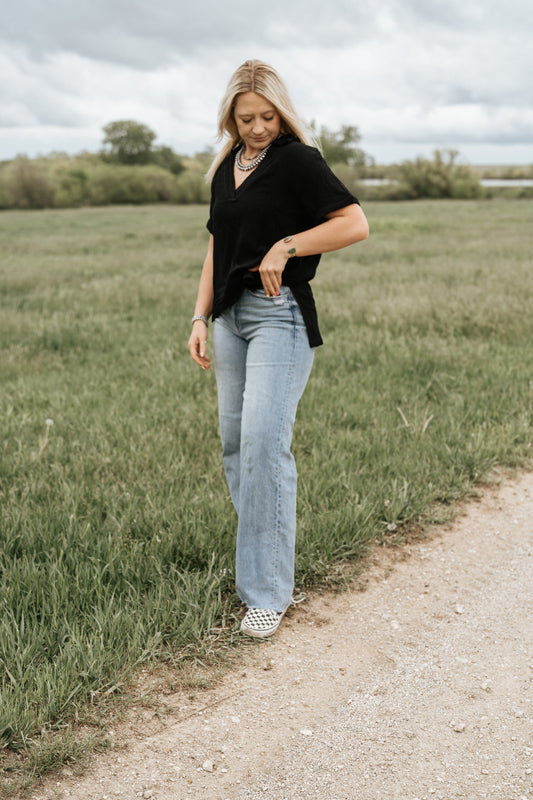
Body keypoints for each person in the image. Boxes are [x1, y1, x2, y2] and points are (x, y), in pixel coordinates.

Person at [188, 59, 369, 639]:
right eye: (246, 119)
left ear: (282, 112)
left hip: (278, 316)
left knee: (266, 447)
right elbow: (218, 248)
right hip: (228, 319)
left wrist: (286, 246)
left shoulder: (298, 160)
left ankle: (267, 592)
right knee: (237, 448)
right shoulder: (225, 168)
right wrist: (198, 314)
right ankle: (261, 566)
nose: (258, 127)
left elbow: (355, 223)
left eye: (267, 116)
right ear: (230, 119)